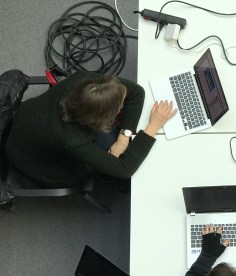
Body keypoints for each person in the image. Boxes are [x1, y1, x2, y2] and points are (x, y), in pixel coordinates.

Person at [6, 70, 177, 188]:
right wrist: (153, 126)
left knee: (117, 144)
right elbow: (124, 169)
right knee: (114, 165)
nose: (121, 109)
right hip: (34, 161)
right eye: (118, 109)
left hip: (26, 118)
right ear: (100, 121)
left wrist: (124, 138)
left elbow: (136, 92)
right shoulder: (73, 139)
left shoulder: (83, 82)